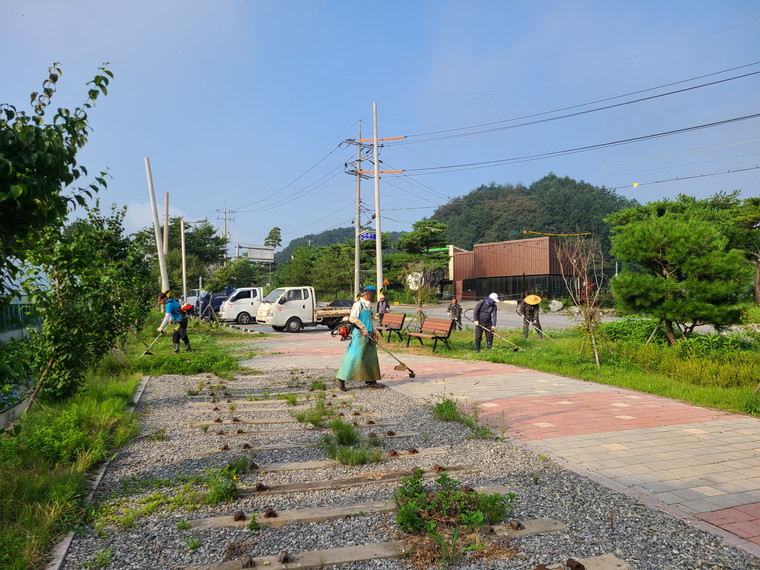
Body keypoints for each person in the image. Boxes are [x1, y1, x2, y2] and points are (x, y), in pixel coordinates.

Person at [335, 286, 383, 391]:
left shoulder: (368, 306)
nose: (373, 296)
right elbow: (353, 318)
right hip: (360, 334)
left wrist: (374, 331)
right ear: (364, 294)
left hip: (369, 335)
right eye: (371, 293)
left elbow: (370, 320)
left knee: (371, 357)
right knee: (355, 357)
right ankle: (341, 379)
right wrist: (363, 328)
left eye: (374, 293)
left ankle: (372, 381)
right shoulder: (358, 305)